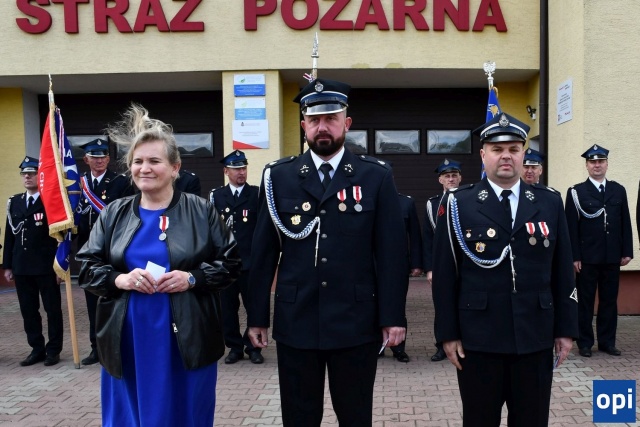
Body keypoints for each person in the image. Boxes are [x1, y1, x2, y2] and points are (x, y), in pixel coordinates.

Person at [247, 78, 408, 426]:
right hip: (296, 319)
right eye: (314, 119)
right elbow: (262, 254)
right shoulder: (278, 176)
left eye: (331, 119)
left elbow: (392, 254)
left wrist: (393, 316)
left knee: (355, 415)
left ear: (346, 123)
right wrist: (257, 316)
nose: (322, 127)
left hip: (355, 320)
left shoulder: (375, 176)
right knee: (299, 417)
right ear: (303, 124)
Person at [76, 104, 242, 427]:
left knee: (185, 412)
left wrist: (192, 278)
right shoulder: (113, 213)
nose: (145, 168)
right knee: (130, 414)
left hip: (188, 335)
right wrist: (119, 280)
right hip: (127, 337)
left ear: (175, 167)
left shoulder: (201, 211)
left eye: (154, 161)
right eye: (138, 161)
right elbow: (86, 266)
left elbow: (231, 263)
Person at [432, 112, 578, 427]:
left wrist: (566, 329)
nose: (506, 156)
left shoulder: (550, 202)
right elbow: (445, 276)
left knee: (532, 420)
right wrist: (448, 333)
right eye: (497, 149)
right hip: (478, 339)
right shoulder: (458, 204)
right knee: (479, 420)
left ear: (524, 154)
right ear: (483, 154)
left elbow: (563, 271)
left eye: (514, 149)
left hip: (535, 335)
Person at [565, 144, 633, 358]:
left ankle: (607, 342)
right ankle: (585, 343)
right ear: (586, 165)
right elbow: (571, 228)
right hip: (587, 258)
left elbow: (625, 222)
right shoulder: (576, 192)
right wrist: (574, 256)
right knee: (585, 302)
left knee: (609, 301)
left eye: (601, 161)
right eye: (593, 162)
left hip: (612, 256)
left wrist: (627, 250)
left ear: (607, 164)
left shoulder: (618, 190)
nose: (597, 165)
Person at [76, 138, 133, 366]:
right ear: (86, 159)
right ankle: (96, 349)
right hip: (90, 251)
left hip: (114, 250)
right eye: (94, 157)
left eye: (103, 157)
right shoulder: (77, 184)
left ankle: (119, 346)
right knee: (93, 304)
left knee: (117, 301)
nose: (99, 161)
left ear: (108, 159)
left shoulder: (120, 183)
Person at [3, 157, 64, 367]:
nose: (28, 177)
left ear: (40, 176)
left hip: (46, 267)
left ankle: (53, 350)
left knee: (52, 310)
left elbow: (62, 236)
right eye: (24, 174)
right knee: (28, 311)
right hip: (22, 266)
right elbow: (10, 235)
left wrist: (61, 266)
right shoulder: (15, 202)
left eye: (32, 173)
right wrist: (7, 265)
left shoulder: (50, 201)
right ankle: (36, 349)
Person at [209, 150, 263, 364]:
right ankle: (234, 347)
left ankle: (254, 347)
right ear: (226, 171)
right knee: (227, 308)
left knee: (254, 307)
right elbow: (211, 229)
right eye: (236, 169)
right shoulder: (216, 196)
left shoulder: (256, 194)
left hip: (250, 262)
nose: (241, 172)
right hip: (226, 263)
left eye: (243, 168)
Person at [423, 158, 462, 362]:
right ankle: (441, 345)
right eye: (447, 176)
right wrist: (429, 268)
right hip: (441, 264)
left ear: (460, 177)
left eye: (454, 175)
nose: (451, 179)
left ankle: (465, 342)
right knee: (442, 304)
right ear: (440, 180)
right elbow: (428, 238)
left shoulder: (468, 198)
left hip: (464, 263)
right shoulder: (432, 204)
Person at [385, 193, 423, 363]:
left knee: (397, 305)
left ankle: (398, 348)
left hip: (397, 265)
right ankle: (376, 346)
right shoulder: (366, 200)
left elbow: (414, 235)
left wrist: (416, 263)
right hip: (370, 264)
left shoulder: (406, 203)